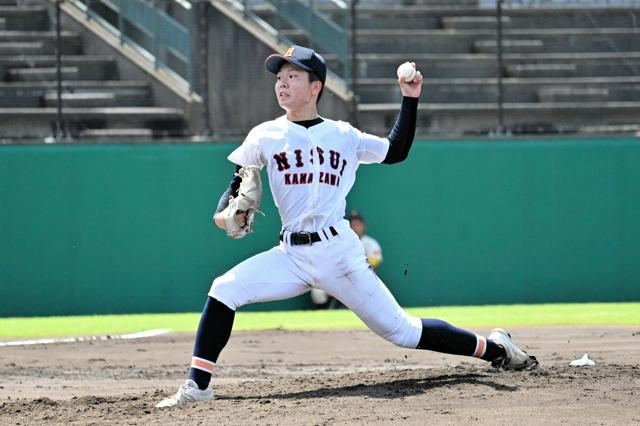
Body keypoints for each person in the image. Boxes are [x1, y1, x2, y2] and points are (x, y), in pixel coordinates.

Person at [156, 45, 538, 408]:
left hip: (338, 253)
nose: (281, 83)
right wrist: (226, 213)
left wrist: (409, 98)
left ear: (316, 87)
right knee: (224, 289)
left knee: (403, 332)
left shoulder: (343, 135)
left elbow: (396, 151)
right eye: (279, 77)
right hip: (290, 254)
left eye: (292, 75)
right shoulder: (263, 135)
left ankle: (497, 348)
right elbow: (234, 189)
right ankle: (198, 386)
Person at [310, 210, 382, 308]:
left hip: (362, 278)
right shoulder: (338, 243)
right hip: (339, 278)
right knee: (317, 291)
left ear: (363, 226)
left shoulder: (370, 243)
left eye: (358, 224)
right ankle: (324, 316)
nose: (355, 227)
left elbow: (375, 261)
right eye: (352, 224)